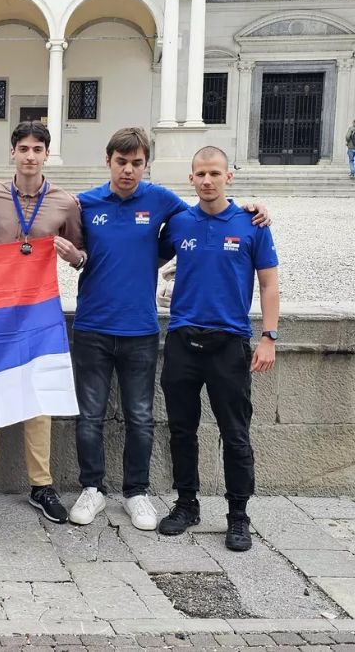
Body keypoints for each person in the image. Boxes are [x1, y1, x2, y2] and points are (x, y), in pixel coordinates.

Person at [68, 127, 269, 532]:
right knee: (89, 416)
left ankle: (136, 492)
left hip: (142, 329)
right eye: (121, 161)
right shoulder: (83, 203)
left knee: (141, 417)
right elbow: (43, 217)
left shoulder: (162, 200)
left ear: (146, 165)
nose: (128, 170)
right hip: (92, 325)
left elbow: (206, 211)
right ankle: (92, 488)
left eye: (137, 163)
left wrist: (255, 208)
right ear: (108, 161)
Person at [0, 121, 85, 524]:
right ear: (12, 152)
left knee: (39, 395)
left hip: (38, 310)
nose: (30, 156)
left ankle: (41, 485)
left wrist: (74, 257)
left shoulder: (65, 203)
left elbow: (81, 253)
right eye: (24, 149)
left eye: (37, 149)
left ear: (47, 154)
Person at [156, 146, 278, 551]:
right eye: (200, 174)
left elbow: (269, 284)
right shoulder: (178, 223)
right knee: (181, 430)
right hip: (183, 340)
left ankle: (238, 516)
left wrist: (269, 337)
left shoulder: (252, 223)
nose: (207, 180)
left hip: (229, 344)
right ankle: (186, 504)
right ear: (190, 179)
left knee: (235, 434)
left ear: (229, 176)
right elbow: (142, 254)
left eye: (214, 173)